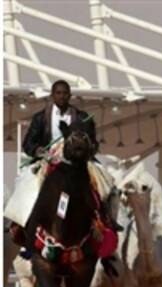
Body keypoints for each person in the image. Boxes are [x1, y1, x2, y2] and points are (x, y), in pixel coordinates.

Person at [6, 80, 120, 249]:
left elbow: (94, 143)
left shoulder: (82, 118)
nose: (62, 96)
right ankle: (20, 225)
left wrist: (86, 150)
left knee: (107, 183)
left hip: (77, 162)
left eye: (65, 93)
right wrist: (39, 152)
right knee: (26, 183)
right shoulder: (40, 118)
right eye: (58, 93)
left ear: (70, 95)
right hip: (49, 160)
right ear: (53, 95)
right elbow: (28, 144)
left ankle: (108, 220)